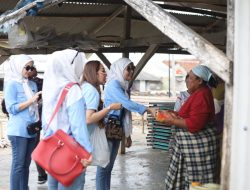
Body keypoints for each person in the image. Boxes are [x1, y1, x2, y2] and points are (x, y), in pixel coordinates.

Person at [96, 57, 155, 190]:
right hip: (109, 128)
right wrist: (147, 109)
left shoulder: (122, 87)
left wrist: (127, 135)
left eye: (132, 68)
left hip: (116, 129)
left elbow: (125, 113)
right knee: (104, 166)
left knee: (108, 167)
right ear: (119, 69)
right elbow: (127, 104)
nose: (131, 71)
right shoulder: (113, 85)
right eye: (128, 68)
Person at [162, 65, 219, 190]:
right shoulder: (199, 92)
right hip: (193, 146)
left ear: (200, 81)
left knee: (197, 181)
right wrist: (175, 114)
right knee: (190, 179)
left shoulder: (202, 95)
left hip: (200, 147)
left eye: (191, 78)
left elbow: (195, 124)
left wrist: (172, 121)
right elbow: (188, 114)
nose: (187, 80)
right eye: (187, 77)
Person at [42, 49, 93, 190]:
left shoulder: (49, 88)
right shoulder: (73, 89)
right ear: (70, 65)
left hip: (52, 149)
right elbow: (78, 126)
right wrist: (87, 151)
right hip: (71, 151)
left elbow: (46, 122)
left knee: (53, 186)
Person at [4, 54, 42, 190]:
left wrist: (37, 102)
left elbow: (34, 106)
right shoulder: (11, 85)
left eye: (32, 67)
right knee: (18, 165)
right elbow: (11, 108)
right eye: (27, 67)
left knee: (26, 164)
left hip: (32, 128)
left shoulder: (32, 84)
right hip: (18, 130)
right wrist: (31, 101)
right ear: (18, 67)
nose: (30, 70)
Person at [81, 60, 122, 137]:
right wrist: (110, 108)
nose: (106, 74)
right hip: (85, 137)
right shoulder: (92, 91)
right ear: (94, 73)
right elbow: (89, 118)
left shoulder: (84, 86)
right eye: (103, 71)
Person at [28, 67, 48, 184]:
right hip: (36, 119)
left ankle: (42, 174)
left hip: (38, 119)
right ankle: (42, 174)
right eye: (29, 68)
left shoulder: (38, 82)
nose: (31, 70)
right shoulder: (22, 83)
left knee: (35, 148)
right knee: (35, 148)